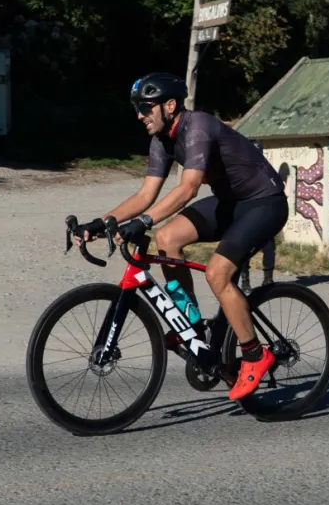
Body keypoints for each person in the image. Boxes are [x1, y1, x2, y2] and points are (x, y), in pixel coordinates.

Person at [73, 72, 288, 400]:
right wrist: (101, 223)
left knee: (218, 274)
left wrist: (142, 221)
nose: (140, 116)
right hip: (231, 203)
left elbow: (187, 188)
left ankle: (256, 356)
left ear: (169, 105)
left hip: (264, 203)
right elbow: (145, 195)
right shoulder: (161, 141)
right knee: (168, 237)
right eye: (137, 109)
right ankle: (191, 324)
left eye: (145, 108)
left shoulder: (198, 126)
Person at [238, 138, 275, 294]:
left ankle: (268, 279)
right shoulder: (241, 169)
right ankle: (245, 281)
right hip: (247, 212)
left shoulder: (266, 169)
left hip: (265, 212)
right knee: (245, 248)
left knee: (269, 246)